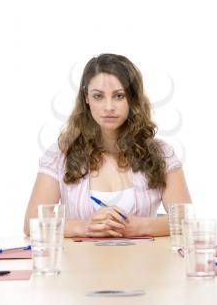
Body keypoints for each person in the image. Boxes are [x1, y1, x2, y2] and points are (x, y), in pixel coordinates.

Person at [24, 53, 192, 238]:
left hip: (144, 265)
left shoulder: (162, 154)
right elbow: (31, 223)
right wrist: (84, 226)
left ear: (132, 99)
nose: (109, 107)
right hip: (80, 266)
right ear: (86, 97)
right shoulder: (61, 154)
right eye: (98, 96)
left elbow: (187, 221)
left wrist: (140, 226)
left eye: (119, 96)